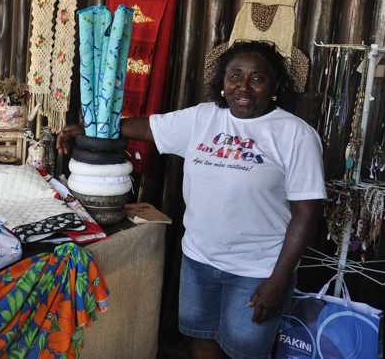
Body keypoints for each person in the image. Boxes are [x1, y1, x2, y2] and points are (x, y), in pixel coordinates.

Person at [57, 40, 326, 359]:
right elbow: (145, 128)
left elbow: (306, 214)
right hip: (199, 261)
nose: (243, 87)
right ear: (222, 82)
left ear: (275, 85)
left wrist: (279, 280)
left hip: (258, 270)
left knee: (246, 351)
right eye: (234, 76)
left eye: (257, 78)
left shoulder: (295, 135)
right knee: (201, 340)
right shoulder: (204, 118)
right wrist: (89, 129)